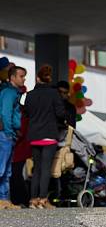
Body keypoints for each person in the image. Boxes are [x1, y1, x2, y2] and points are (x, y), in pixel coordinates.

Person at [24, 65, 66, 209]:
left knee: (36, 168)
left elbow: (27, 113)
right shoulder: (54, 94)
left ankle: (32, 200)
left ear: (37, 78)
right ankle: (43, 199)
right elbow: (61, 113)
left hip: (34, 135)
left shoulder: (29, 95)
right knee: (46, 168)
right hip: (49, 134)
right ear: (49, 79)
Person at [0, 65, 26, 208]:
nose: (24, 79)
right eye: (21, 76)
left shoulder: (13, 92)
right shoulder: (9, 93)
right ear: (12, 77)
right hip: (5, 135)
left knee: (6, 171)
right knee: (2, 169)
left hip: (8, 134)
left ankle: (4, 200)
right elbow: (5, 113)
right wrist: (10, 132)